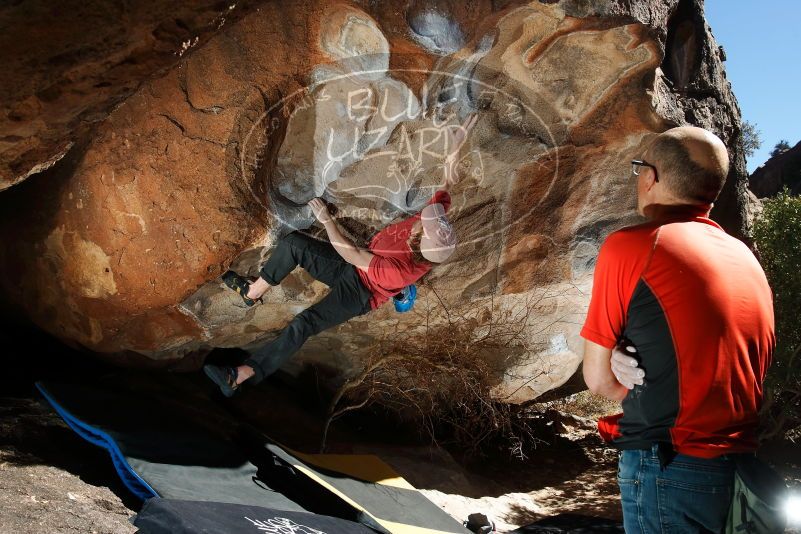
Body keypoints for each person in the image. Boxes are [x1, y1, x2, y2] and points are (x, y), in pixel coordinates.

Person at [580, 126, 775, 532]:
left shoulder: (633, 246)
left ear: (651, 177)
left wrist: (622, 373)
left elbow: (598, 380)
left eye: (639, 170)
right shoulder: (744, 257)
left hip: (669, 464)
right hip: (738, 471)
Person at [204, 114, 477, 397]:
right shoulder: (432, 228)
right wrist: (455, 147)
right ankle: (251, 293)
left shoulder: (399, 269)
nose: (424, 218)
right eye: (431, 219)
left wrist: (325, 220)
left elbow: (351, 254)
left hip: (361, 292)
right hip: (359, 267)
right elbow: (448, 184)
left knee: (303, 324)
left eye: (425, 225)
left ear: (420, 243)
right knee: (295, 245)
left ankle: (241, 374)